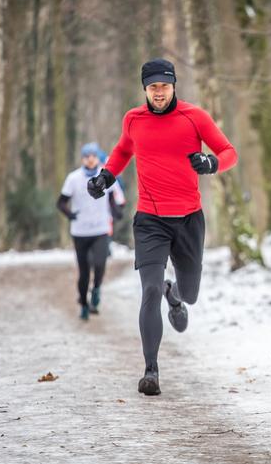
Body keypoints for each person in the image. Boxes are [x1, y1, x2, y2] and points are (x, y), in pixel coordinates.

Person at [87, 58, 238, 396]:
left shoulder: (194, 117)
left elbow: (229, 152)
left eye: (164, 86)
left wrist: (211, 163)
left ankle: (176, 295)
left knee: (191, 293)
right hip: (150, 221)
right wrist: (106, 178)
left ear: (174, 86)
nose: (159, 92)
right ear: (145, 88)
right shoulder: (133, 119)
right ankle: (150, 370)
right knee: (149, 289)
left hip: (188, 219)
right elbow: (123, 151)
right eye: (153, 86)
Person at [57, 142, 125, 321]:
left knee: (100, 264)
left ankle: (96, 290)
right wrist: (70, 214)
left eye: (93, 156)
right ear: (82, 158)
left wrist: (117, 212)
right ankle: (84, 305)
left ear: (97, 157)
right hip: (80, 231)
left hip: (100, 229)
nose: (90, 159)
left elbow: (111, 199)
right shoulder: (74, 178)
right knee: (84, 271)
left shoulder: (105, 176)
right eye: (87, 156)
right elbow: (61, 202)